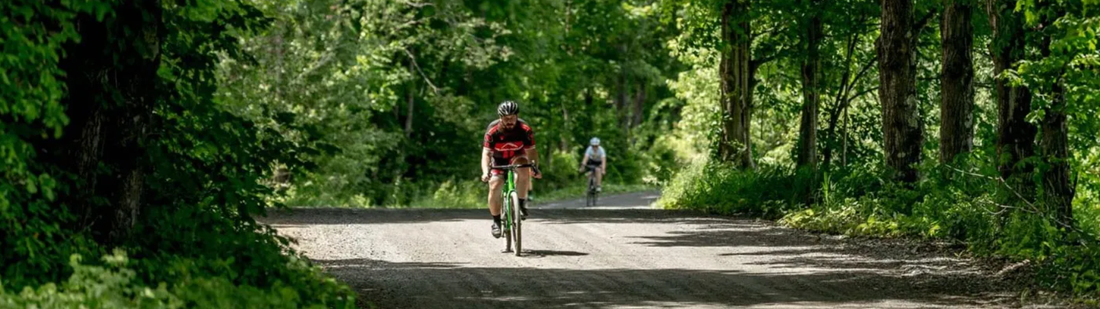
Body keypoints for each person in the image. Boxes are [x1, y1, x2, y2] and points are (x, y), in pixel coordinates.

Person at [481, 101, 542, 239]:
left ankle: (520, 203)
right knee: (495, 184)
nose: (510, 121)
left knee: (524, 167)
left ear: (517, 116)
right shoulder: (492, 131)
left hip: (517, 156)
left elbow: (531, 152)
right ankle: (496, 221)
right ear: (500, 117)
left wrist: (535, 168)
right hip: (498, 159)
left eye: (512, 118)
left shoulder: (524, 129)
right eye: (506, 118)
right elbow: (486, 154)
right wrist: (485, 171)